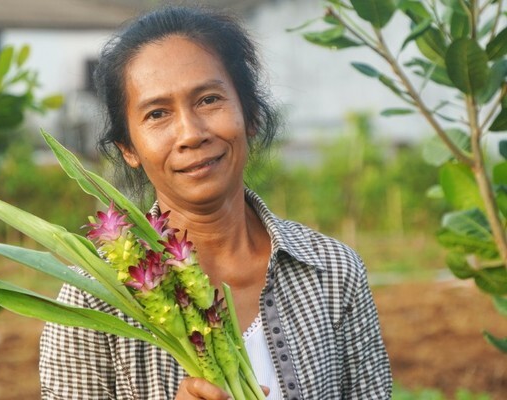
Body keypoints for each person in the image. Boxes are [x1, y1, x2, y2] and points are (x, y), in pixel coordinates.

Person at [39, 5, 392, 399]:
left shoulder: (332, 272)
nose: (191, 133)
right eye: (157, 113)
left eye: (208, 100)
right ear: (128, 149)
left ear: (251, 114)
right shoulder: (95, 299)